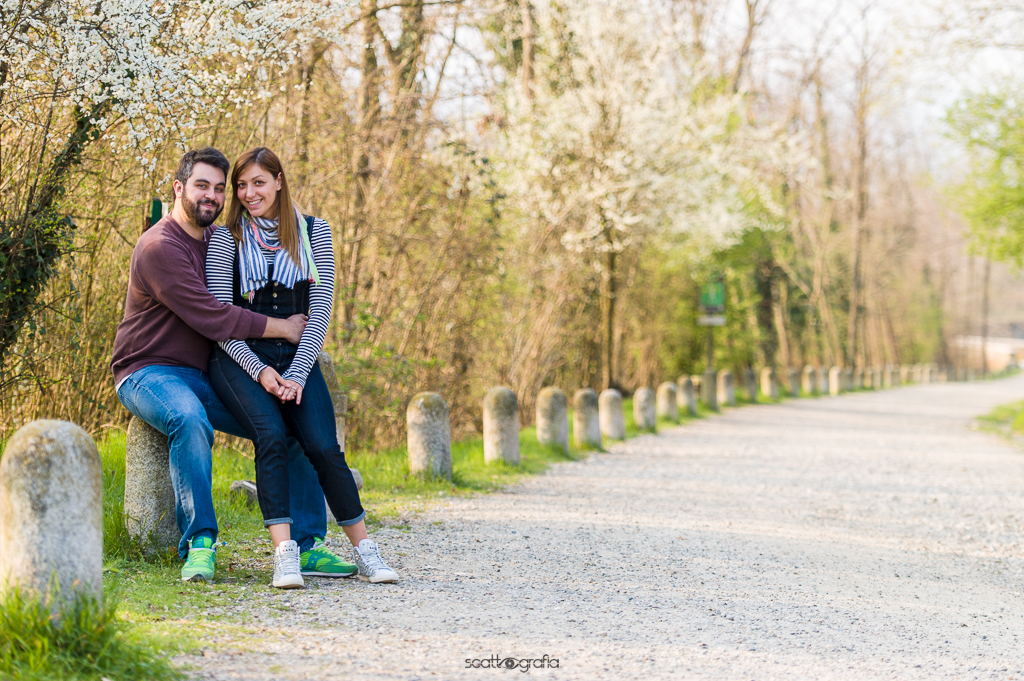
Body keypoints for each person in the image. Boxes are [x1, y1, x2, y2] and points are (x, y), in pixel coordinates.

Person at [112, 147, 358, 583]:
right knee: (187, 419)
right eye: (201, 186)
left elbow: (277, 239)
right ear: (178, 188)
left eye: (220, 189)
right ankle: (201, 542)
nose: (212, 196)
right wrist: (283, 328)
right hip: (149, 371)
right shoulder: (159, 246)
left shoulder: (217, 238)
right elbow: (214, 315)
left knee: (293, 419)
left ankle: (305, 545)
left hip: (204, 372)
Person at [206, 147, 399, 589]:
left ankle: (365, 550)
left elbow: (320, 312)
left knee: (323, 447)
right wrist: (260, 371)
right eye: (242, 185)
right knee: (271, 436)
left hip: (296, 359)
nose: (249, 193)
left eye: (259, 182)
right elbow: (220, 322)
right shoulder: (224, 239)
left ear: (278, 181)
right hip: (239, 357)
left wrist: (296, 372)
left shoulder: (315, 232)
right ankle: (284, 554)